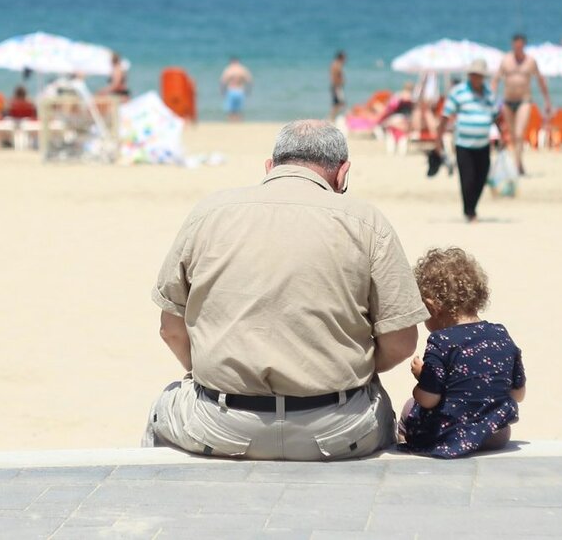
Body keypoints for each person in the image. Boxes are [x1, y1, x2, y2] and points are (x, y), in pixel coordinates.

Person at [144, 120, 427, 461]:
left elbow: (169, 329)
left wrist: (215, 372)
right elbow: (401, 341)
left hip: (222, 425)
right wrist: (349, 369)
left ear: (270, 167)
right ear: (342, 174)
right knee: (385, 409)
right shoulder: (367, 222)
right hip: (338, 429)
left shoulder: (210, 212)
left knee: (162, 408)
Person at [398, 247, 525, 458]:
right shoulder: (500, 334)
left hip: (452, 433)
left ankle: (407, 443)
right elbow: (518, 394)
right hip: (497, 434)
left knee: (410, 407)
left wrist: (422, 379)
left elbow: (429, 399)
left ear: (431, 306)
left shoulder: (441, 341)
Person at [435, 59, 497, 222]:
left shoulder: (489, 94)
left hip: (483, 144)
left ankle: (472, 208)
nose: (476, 78)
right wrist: (438, 139)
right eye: (473, 75)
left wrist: (503, 136)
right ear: (469, 75)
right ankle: (470, 212)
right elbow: (445, 115)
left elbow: (496, 116)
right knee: (467, 179)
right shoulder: (459, 92)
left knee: (481, 178)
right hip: (463, 144)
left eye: (479, 75)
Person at [491, 34, 552, 174]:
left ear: (524, 45)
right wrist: (491, 98)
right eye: (516, 45)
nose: (518, 48)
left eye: (520, 45)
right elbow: (495, 80)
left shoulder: (530, 62)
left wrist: (547, 101)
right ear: (513, 45)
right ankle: (519, 163)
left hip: (524, 101)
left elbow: (540, 80)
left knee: (519, 134)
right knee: (512, 135)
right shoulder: (506, 60)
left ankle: (516, 166)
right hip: (507, 101)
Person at [219, 57, 253, 122]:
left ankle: (232, 124)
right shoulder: (242, 69)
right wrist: (248, 91)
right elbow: (250, 81)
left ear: (231, 62)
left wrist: (222, 91)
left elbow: (222, 81)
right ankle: (239, 123)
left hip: (231, 90)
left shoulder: (229, 69)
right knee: (239, 110)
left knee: (230, 110)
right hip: (240, 91)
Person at [329, 51, 347, 120]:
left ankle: (332, 119)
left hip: (336, 86)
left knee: (337, 104)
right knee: (339, 104)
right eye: (345, 58)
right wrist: (339, 85)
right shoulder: (337, 65)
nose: (345, 60)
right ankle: (333, 119)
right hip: (337, 87)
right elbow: (335, 77)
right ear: (341, 58)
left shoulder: (334, 64)